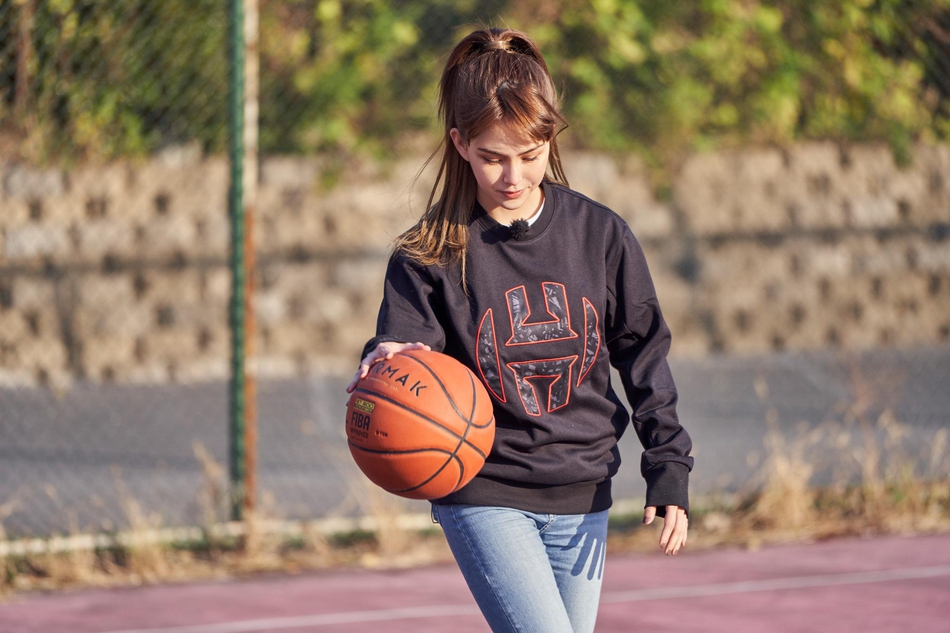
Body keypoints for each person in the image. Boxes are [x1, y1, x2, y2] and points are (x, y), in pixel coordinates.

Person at [346, 26, 693, 633]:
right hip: (485, 487)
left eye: (530, 155)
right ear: (460, 143)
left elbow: (644, 355)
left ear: (550, 138)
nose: (513, 175)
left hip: (583, 485)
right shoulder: (429, 252)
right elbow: (408, 340)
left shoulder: (600, 236)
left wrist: (668, 465)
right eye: (493, 157)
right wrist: (389, 354)